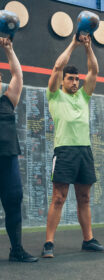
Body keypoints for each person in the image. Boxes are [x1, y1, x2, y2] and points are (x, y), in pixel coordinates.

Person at [42, 35, 104, 258]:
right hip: (64, 151)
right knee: (58, 198)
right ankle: (49, 242)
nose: (74, 82)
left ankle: (88, 239)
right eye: (70, 79)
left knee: (85, 198)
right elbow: (57, 66)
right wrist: (73, 43)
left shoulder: (83, 96)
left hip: (84, 151)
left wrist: (88, 47)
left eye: (76, 79)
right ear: (62, 81)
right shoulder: (54, 95)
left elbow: (94, 71)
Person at [0, 38, 38, 262]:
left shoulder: (7, 100)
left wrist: (9, 49)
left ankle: (16, 250)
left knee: (14, 200)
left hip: (8, 160)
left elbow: (18, 76)